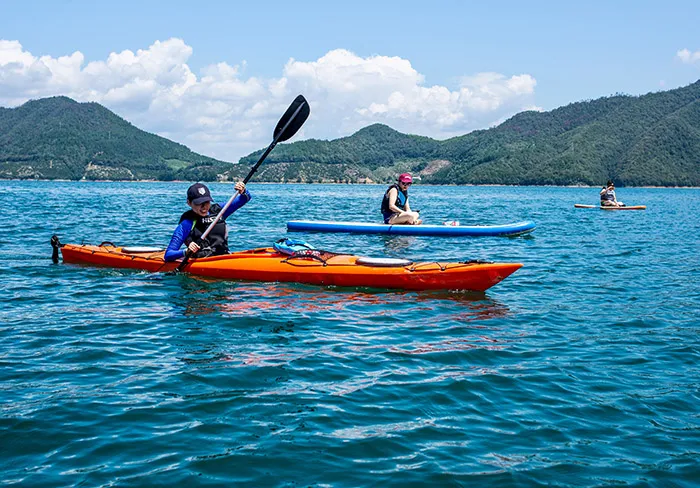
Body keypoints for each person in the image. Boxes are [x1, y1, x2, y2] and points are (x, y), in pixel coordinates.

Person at [164, 182, 251, 262]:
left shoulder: (219, 211)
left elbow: (245, 198)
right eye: (199, 203)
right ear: (189, 203)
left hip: (224, 257)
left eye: (207, 202)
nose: (204, 207)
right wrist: (186, 252)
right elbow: (168, 255)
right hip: (203, 261)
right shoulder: (187, 223)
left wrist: (243, 191)